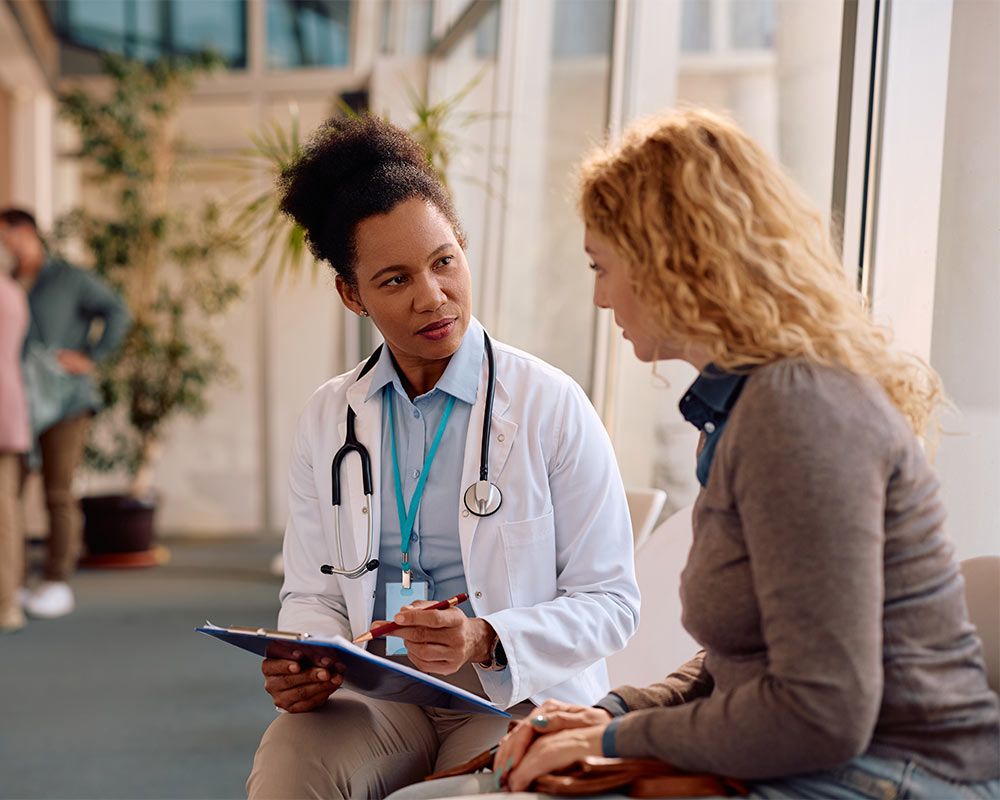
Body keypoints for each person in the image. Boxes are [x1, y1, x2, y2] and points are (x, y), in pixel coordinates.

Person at [398, 109, 1000, 799]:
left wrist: (610, 739)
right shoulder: (751, 408)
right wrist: (609, 712)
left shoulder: (797, 415)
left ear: (669, 262)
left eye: (603, 268)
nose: (599, 297)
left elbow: (821, 711)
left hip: (892, 780)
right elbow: (741, 662)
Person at [245, 115, 640, 800]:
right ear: (352, 294)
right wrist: (306, 654)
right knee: (291, 765)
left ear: (462, 247)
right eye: (395, 279)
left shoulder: (549, 404)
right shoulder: (329, 417)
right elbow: (313, 590)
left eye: (443, 261)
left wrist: (486, 636)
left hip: (510, 695)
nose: (432, 296)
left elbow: (612, 603)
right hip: (380, 691)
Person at [0, 208, 130, 619]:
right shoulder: (10, 282)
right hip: (21, 403)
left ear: (25, 233)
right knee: (10, 495)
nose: (4, 246)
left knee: (58, 491)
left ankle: (56, 578)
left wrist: (91, 356)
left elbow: (118, 311)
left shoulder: (69, 278)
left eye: (6, 237)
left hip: (67, 401)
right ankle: (13, 581)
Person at [0, 247, 30, 633]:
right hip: (9, 403)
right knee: (7, 509)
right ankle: (9, 598)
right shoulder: (12, 292)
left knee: (4, 513)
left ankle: (7, 600)